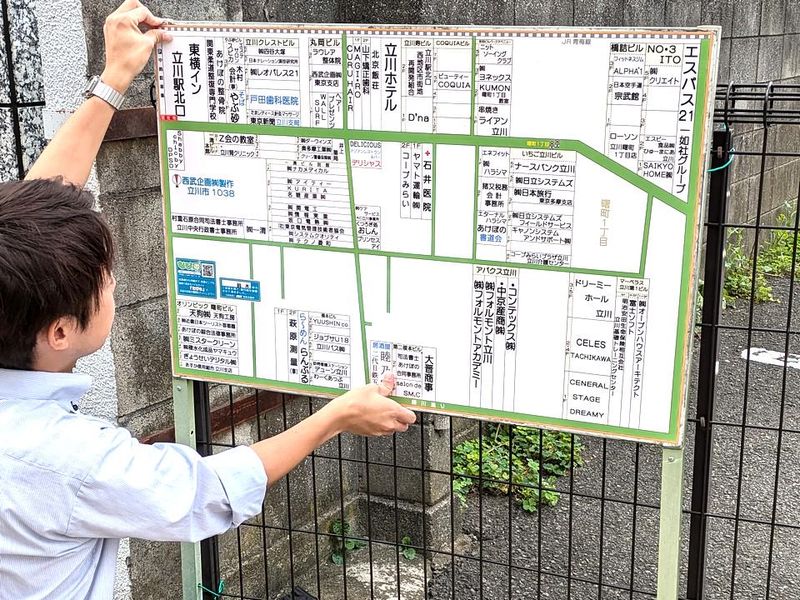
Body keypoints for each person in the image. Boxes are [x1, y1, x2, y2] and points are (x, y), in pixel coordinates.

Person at [0, 1, 417, 598]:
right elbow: (206, 491)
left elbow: (41, 208)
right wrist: (334, 417)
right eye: (105, 278)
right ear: (61, 330)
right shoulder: (67, 461)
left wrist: (114, 80)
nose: (114, 283)